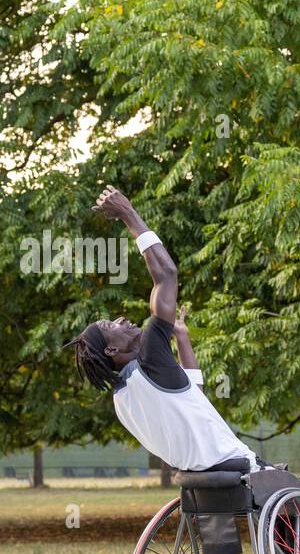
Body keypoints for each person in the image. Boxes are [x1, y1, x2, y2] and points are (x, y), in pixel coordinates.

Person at [66, 186, 271, 473]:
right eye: (110, 325)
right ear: (111, 349)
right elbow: (166, 275)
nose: (121, 318)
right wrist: (128, 213)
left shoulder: (123, 397)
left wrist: (183, 339)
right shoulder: (149, 358)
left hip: (201, 477)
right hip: (240, 468)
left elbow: (193, 393)